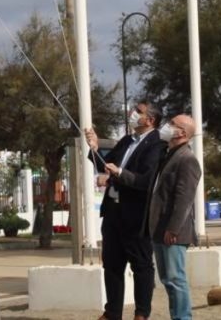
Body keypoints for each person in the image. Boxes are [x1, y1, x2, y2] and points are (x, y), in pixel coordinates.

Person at [85, 101, 162, 320]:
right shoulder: (127, 140)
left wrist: (118, 173)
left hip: (136, 215)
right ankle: (112, 313)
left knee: (141, 266)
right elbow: (105, 164)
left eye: (139, 111)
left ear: (150, 120)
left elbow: (146, 180)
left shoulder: (157, 145)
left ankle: (141, 313)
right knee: (112, 264)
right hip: (113, 213)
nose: (132, 113)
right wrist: (95, 148)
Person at [145, 114, 201, 320]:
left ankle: (182, 317)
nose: (167, 126)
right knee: (168, 279)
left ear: (182, 133)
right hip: (159, 229)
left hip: (172, 232)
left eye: (172, 124)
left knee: (176, 279)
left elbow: (184, 199)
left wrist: (173, 229)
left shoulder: (187, 159)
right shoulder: (169, 154)